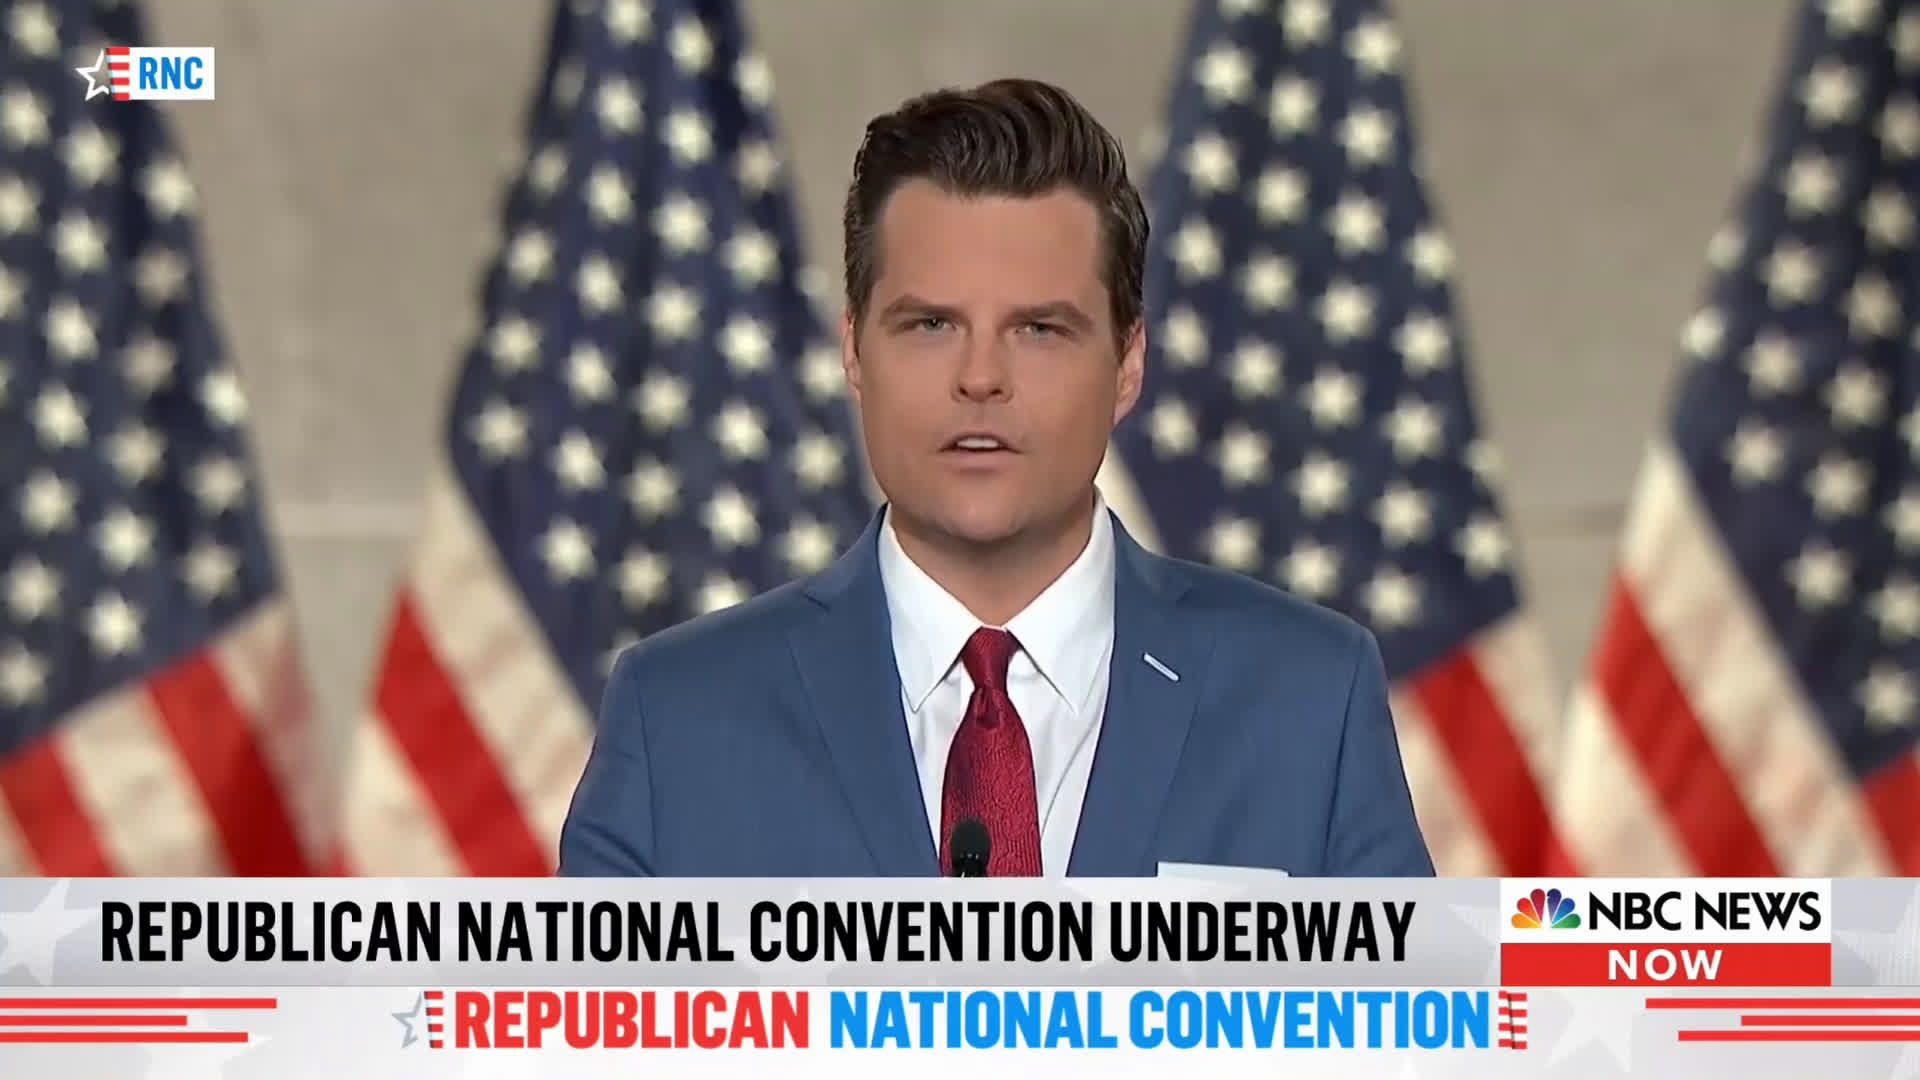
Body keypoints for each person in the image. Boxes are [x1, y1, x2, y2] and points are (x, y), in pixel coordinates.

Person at [558, 78, 1434, 878]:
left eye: (1039, 330)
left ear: (1128, 363)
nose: (981, 378)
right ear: (854, 352)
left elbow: (1431, 1001)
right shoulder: (676, 721)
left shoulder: (1310, 702)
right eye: (931, 325)